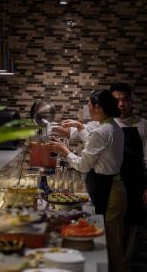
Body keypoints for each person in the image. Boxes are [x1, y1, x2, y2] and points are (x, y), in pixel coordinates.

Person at [49, 89, 127, 272]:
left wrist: (64, 151)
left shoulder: (103, 131)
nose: (88, 109)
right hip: (114, 187)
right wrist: (81, 127)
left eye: (90, 105)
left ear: (98, 107)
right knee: (113, 240)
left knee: (112, 243)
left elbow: (83, 165)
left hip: (111, 191)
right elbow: (94, 143)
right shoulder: (112, 126)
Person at [110, 82, 147, 261]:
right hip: (110, 189)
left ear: (131, 101)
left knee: (129, 237)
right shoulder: (105, 125)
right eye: (116, 100)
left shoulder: (142, 125)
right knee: (110, 236)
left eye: (125, 99)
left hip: (134, 188)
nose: (121, 104)